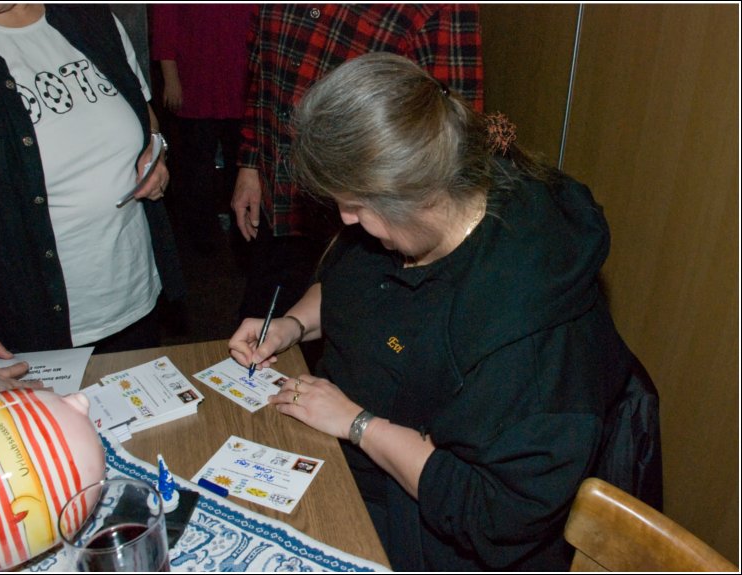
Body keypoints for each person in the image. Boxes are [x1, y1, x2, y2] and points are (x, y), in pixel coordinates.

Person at [229, 53, 662, 571]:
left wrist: (358, 424)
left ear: (417, 193)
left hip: (435, 530)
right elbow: (352, 286)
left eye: (357, 206)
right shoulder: (417, 217)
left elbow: (494, 514)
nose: (345, 219)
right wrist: (292, 325)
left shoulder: (529, 333)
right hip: (342, 453)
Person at [0, 4, 185, 374]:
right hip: (23, 319)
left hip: (133, 295)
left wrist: (155, 150)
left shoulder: (92, 17)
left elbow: (142, 110)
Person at [231, 4, 484, 321]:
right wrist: (251, 162)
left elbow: (453, 127)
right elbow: (262, 75)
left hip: (380, 212)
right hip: (279, 194)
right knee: (269, 313)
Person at [150, 4, 255, 254]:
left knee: (242, 168)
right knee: (195, 170)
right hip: (196, 83)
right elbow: (165, 23)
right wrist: (170, 77)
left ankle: (243, 237)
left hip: (240, 83)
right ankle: (202, 241)